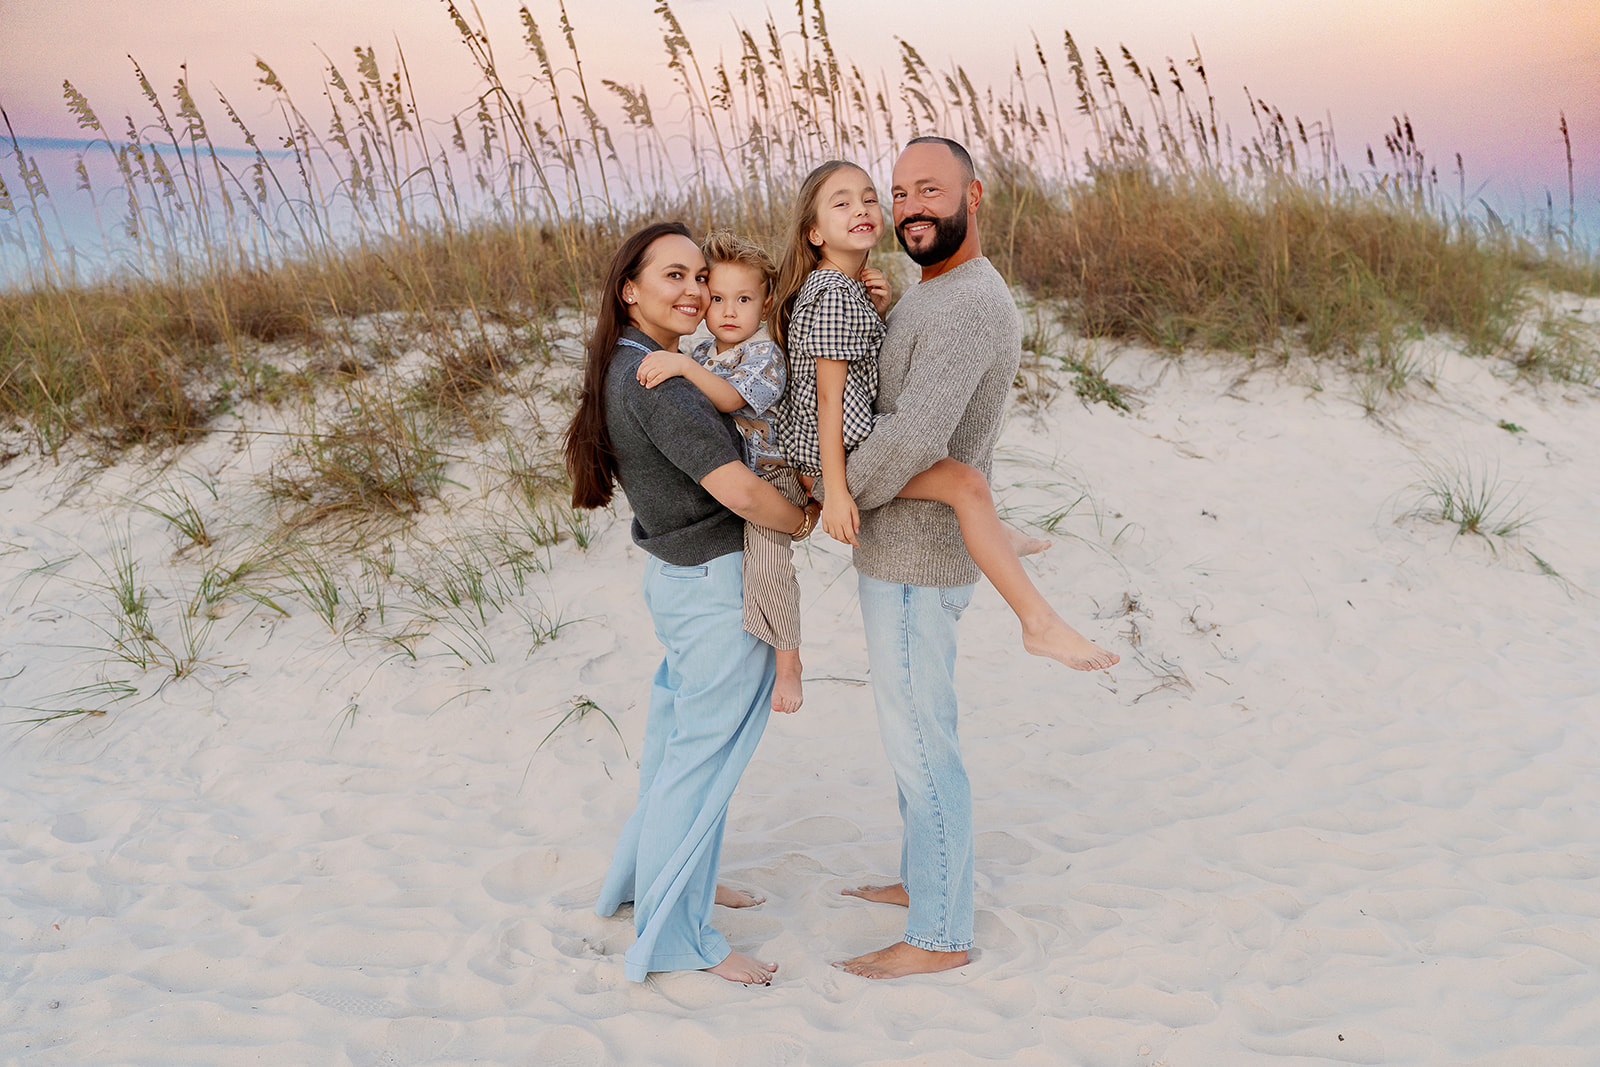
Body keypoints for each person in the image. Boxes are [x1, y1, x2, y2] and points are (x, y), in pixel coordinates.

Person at [830, 137, 1117, 980]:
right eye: (900, 192)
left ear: (975, 194)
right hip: (909, 547)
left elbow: (917, 434)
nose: (912, 205)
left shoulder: (967, 305)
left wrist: (835, 492)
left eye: (931, 188)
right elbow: (900, 397)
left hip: (918, 562)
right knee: (911, 735)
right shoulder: (934, 293)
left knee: (924, 747)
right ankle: (927, 879)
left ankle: (940, 935)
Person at [566, 221, 822, 986]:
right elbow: (740, 489)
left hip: (682, 579)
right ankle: (677, 937)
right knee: (699, 765)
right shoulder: (663, 381)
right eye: (673, 276)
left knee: (682, 754)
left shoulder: (636, 362)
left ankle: (652, 883)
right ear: (630, 289)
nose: (695, 290)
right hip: (713, 584)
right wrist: (802, 519)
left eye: (700, 276)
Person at [768, 158, 1118, 672]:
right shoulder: (835, 294)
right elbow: (826, 398)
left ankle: (996, 539)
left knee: (968, 488)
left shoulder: (847, 289)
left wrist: (879, 312)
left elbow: (865, 374)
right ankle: (1037, 623)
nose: (863, 208)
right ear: (814, 232)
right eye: (841, 204)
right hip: (831, 459)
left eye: (869, 198)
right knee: (968, 486)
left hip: (842, 449)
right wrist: (835, 490)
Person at [634, 231, 809, 716]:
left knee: (769, 563)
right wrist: (685, 364)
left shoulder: (765, 354)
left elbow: (731, 400)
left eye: (744, 299)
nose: (729, 311)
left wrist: (681, 368)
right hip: (738, 477)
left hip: (774, 475)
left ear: (766, 302)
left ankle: (790, 660)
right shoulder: (703, 354)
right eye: (717, 298)